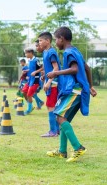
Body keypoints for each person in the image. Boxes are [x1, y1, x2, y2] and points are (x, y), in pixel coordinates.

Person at [46, 26, 97, 162]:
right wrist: (90, 86)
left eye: (56, 39)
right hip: (80, 89)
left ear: (62, 39)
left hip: (75, 90)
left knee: (59, 116)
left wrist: (56, 73)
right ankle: (62, 151)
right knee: (63, 119)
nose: (56, 42)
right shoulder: (76, 51)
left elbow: (74, 69)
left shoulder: (68, 52)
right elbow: (87, 68)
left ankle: (78, 147)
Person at [38, 32, 61, 137]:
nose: (39, 43)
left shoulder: (51, 52)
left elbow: (56, 68)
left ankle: (53, 131)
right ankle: (57, 130)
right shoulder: (45, 52)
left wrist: (49, 81)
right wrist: (44, 75)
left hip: (54, 83)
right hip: (50, 82)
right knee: (52, 106)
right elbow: (49, 68)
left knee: (50, 106)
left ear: (47, 41)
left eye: (40, 40)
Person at [22, 47, 42, 115]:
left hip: (35, 80)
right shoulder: (30, 61)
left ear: (31, 53)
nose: (25, 54)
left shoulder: (36, 60)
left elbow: (42, 67)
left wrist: (36, 72)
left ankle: (29, 109)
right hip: (30, 80)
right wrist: (27, 71)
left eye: (26, 53)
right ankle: (32, 105)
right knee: (24, 92)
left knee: (29, 94)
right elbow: (31, 69)